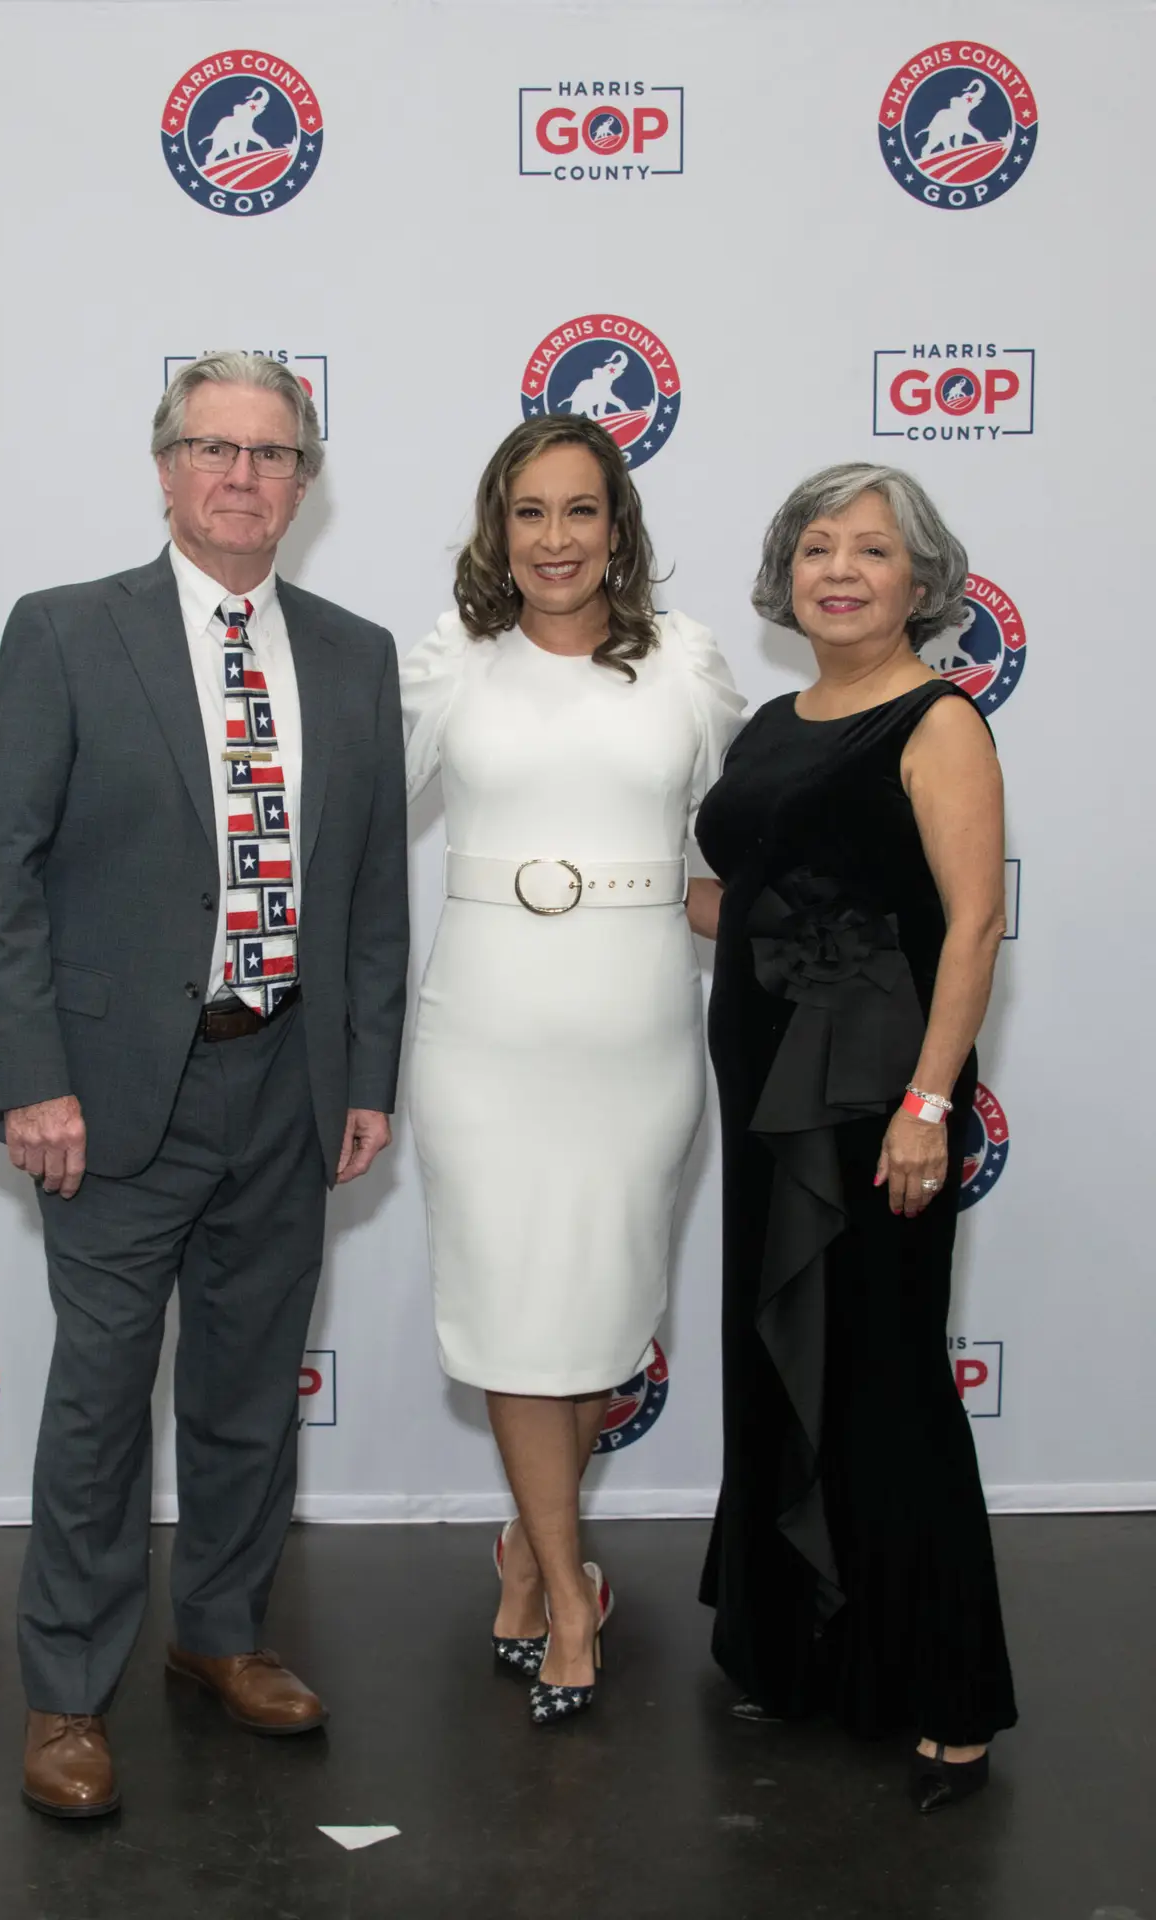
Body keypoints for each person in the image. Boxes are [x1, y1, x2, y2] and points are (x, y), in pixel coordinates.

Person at [0, 352, 408, 1818]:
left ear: (306, 482)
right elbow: (1, 875)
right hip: (110, 1095)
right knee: (101, 1404)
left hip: (290, 1077)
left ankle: (219, 1634)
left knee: (247, 1392)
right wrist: (32, 1078)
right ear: (165, 469)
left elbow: (372, 894)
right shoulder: (67, 631)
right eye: (214, 448)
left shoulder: (354, 654)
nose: (242, 476)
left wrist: (367, 1073)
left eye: (272, 454)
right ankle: (66, 1693)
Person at [401, 414, 744, 1725]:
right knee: (510, 1312)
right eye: (530, 512)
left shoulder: (687, 664)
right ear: (499, 529)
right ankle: (567, 1592)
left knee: (595, 1317)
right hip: (483, 1035)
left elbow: (744, 837)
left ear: (618, 528)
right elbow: (349, 819)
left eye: (580, 510)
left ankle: (528, 1553)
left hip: (634, 1035)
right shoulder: (452, 659)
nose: (555, 539)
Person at [690, 462, 1017, 1812]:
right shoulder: (772, 723)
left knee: (886, 1377)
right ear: (788, 574)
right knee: (779, 1357)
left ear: (919, 581)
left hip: (880, 1096)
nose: (840, 570)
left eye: (872, 550)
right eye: (817, 546)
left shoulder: (939, 720)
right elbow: (746, 892)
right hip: (763, 1079)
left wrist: (931, 1104)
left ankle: (950, 1695)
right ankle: (804, 1647)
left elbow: (974, 924)